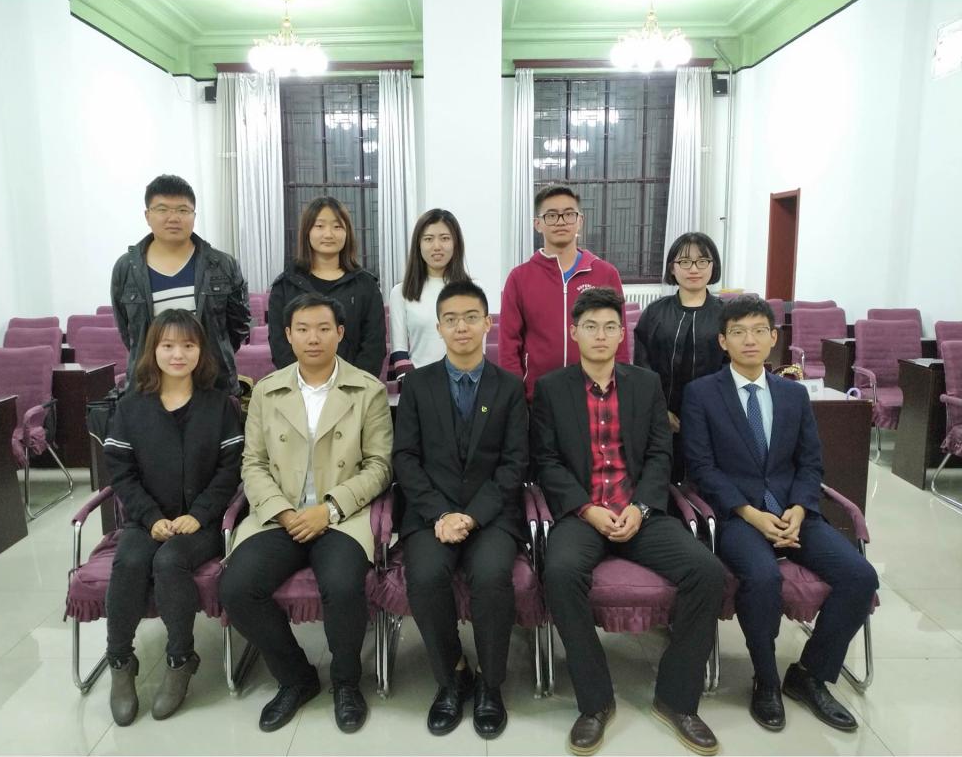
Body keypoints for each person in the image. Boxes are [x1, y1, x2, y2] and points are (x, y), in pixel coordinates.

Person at [531, 287, 724, 756]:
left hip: (641, 512)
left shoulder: (645, 384)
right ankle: (595, 701)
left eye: (610, 326)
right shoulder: (552, 389)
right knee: (559, 573)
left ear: (622, 334)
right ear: (574, 333)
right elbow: (546, 461)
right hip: (584, 513)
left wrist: (640, 507)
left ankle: (676, 699)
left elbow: (660, 453)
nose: (600, 335)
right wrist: (586, 509)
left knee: (707, 572)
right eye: (590, 327)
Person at [681, 296, 878, 734]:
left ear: (774, 338)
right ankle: (766, 679)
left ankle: (810, 675)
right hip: (737, 517)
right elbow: (702, 468)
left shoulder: (792, 394)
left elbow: (810, 462)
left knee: (860, 576)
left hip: (794, 513)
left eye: (758, 331)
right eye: (738, 332)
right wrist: (752, 514)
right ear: (723, 341)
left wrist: (798, 509)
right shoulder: (702, 394)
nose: (749, 340)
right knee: (763, 577)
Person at [220, 292, 393, 735]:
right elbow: (253, 463)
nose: (313, 338)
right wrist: (281, 511)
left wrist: (329, 509)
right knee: (237, 587)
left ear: (340, 333)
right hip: (279, 514)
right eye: (302, 329)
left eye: (322, 328)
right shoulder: (267, 390)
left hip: (342, 514)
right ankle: (296, 677)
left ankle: (346, 682)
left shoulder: (367, 390)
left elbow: (379, 466)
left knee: (343, 585)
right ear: (288, 335)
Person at [393, 280, 528, 739]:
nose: (462, 327)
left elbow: (514, 464)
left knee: (491, 576)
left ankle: (491, 682)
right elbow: (405, 458)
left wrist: (472, 516)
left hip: (492, 513)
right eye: (451, 319)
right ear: (439, 328)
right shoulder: (417, 385)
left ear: (487, 323)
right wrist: (439, 514)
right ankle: (452, 674)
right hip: (430, 512)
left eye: (471, 317)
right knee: (426, 576)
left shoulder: (509, 388)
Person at [103, 309, 243, 726]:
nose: (178, 354)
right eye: (168, 345)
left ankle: (181, 658)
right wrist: (150, 517)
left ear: (201, 351)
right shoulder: (131, 407)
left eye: (188, 345)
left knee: (169, 561)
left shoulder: (219, 406)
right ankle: (120, 660)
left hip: (202, 524)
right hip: (146, 520)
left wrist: (199, 514)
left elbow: (231, 471)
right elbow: (121, 473)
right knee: (130, 561)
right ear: (153, 350)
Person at [111, 174, 250, 396]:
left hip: (213, 386)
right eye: (162, 209)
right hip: (149, 388)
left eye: (183, 210)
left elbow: (238, 327)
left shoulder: (222, 265)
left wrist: (211, 354)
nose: (173, 218)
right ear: (147, 215)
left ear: (194, 215)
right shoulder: (126, 268)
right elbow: (129, 332)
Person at [500, 184, 628, 400]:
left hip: (596, 395)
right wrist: (515, 397)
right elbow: (509, 345)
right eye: (551, 215)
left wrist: (620, 392)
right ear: (538, 224)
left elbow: (619, 339)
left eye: (569, 214)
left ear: (580, 220)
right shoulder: (519, 278)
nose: (561, 222)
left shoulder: (606, 273)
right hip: (538, 396)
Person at [634, 232, 726, 480]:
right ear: (672, 268)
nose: (693, 269)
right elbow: (642, 367)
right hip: (661, 420)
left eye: (702, 261)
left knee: (706, 481)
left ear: (713, 266)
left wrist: (709, 413)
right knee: (664, 479)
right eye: (684, 262)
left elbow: (731, 368)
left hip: (715, 419)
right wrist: (659, 411)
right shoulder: (654, 313)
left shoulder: (727, 315)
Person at [267, 196, 386, 378]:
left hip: (354, 388)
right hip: (300, 388)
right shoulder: (285, 285)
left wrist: (353, 385)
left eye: (337, 227)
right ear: (307, 231)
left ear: (347, 233)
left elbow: (374, 345)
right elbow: (280, 344)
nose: (329, 234)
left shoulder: (365, 285)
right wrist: (307, 384)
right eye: (320, 226)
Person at [388, 209, 472, 379]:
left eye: (445, 238)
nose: (437, 246)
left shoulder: (473, 290)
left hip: (465, 384)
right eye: (428, 239)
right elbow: (399, 352)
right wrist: (417, 388)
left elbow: (477, 350)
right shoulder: (401, 292)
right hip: (417, 384)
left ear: (456, 243)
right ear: (418, 244)